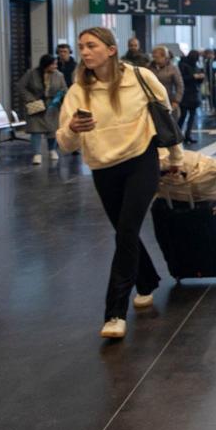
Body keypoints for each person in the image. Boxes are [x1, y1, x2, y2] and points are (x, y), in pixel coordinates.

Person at [57, 27, 183, 340]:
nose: (85, 52)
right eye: (81, 47)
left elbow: (165, 118)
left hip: (141, 161)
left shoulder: (141, 78)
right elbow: (64, 144)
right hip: (103, 167)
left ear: (111, 49)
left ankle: (114, 312)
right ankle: (147, 279)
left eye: (92, 46)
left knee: (127, 231)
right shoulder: (78, 91)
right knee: (124, 232)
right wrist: (73, 127)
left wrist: (176, 159)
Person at [17, 53, 67, 165]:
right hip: (36, 105)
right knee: (36, 130)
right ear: (46, 64)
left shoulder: (59, 75)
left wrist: (58, 97)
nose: (55, 66)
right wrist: (30, 99)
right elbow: (21, 86)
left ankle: (52, 150)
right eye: (53, 64)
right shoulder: (31, 73)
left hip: (52, 106)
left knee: (53, 130)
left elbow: (64, 89)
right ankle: (37, 154)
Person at [177, 50, 204, 144]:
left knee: (190, 116)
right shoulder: (183, 65)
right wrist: (194, 77)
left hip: (193, 93)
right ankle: (179, 135)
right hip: (186, 93)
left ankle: (187, 134)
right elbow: (181, 79)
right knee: (184, 116)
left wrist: (200, 78)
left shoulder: (190, 65)